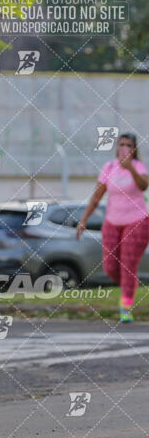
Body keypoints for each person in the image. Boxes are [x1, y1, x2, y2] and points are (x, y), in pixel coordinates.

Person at [76, 133, 149, 322]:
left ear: (134, 149)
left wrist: (130, 169)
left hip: (137, 221)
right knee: (110, 267)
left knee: (128, 266)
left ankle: (126, 308)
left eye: (128, 145)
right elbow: (97, 196)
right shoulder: (109, 167)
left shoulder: (139, 167)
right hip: (112, 222)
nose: (124, 148)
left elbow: (143, 186)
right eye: (121, 144)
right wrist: (83, 220)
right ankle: (129, 287)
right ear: (116, 147)